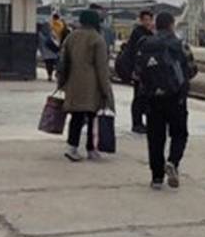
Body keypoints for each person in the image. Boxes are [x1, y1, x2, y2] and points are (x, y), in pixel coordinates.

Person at [136, 11, 198, 190]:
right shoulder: (181, 44)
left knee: (155, 137)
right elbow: (192, 69)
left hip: (152, 98)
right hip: (176, 98)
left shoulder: (145, 44)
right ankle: (172, 161)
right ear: (172, 25)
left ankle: (156, 177)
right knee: (179, 134)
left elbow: (138, 71)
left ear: (156, 25)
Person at [57, 9, 114, 162]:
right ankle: (91, 149)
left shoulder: (71, 37)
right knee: (92, 117)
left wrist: (61, 82)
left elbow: (62, 61)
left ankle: (72, 147)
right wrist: (105, 89)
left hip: (72, 82)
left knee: (76, 117)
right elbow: (102, 67)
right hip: (91, 85)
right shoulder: (97, 39)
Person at [126, 9, 155, 134]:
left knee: (144, 97)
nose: (147, 22)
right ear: (141, 20)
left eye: (149, 20)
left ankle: (142, 123)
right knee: (139, 97)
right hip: (139, 72)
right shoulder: (138, 33)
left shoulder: (148, 33)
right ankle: (137, 123)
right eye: (145, 20)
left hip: (147, 72)